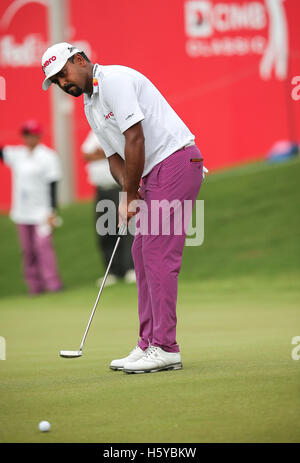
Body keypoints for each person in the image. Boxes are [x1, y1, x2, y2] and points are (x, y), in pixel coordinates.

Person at [41, 42, 205, 373]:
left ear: (80, 60)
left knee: (159, 255)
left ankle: (166, 347)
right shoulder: (90, 105)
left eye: (63, 74)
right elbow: (114, 156)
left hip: (174, 161)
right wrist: (129, 190)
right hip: (153, 172)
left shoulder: (114, 80)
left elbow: (135, 138)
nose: (63, 83)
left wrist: (130, 195)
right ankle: (148, 343)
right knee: (143, 254)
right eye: (56, 81)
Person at [0, 120, 63, 295]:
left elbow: (53, 185)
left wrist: (52, 211)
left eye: (32, 135)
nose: (29, 138)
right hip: (21, 212)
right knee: (27, 250)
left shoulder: (48, 156)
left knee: (43, 247)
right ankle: (34, 286)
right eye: (26, 135)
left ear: (39, 136)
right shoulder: (18, 154)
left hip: (42, 212)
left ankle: (53, 283)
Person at [81, 130, 136, 285]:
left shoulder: (118, 129)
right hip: (101, 189)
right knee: (105, 230)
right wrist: (106, 153)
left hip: (119, 187)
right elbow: (86, 155)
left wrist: (102, 153)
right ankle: (113, 271)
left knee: (126, 228)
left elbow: (121, 153)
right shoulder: (94, 133)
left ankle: (130, 268)